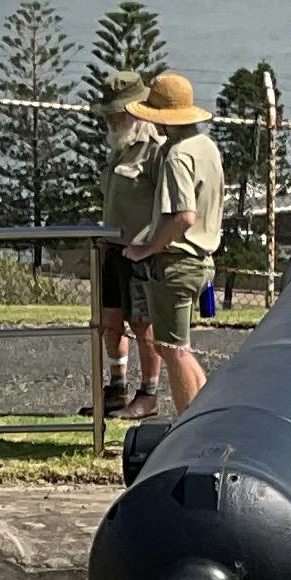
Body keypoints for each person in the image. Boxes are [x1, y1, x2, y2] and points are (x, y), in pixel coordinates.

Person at [113, 68, 225, 413]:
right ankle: (201, 415)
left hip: (178, 261)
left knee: (174, 349)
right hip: (203, 258)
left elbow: (183, 216)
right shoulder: (206, 147)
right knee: (173, 347)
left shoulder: (177, 156)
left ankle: (190, 423)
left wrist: (148, 248)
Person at [92, 78, 162, 415]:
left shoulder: (155, 150)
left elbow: (168, 203)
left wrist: (154, 245)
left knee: (142, 323)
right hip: (113, 248)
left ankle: (149, 392)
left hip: (141, 251)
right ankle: (117, 386)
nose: (109, 120)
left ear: (135, 112)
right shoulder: (119, 147)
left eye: (115, 113)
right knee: (111, 320)